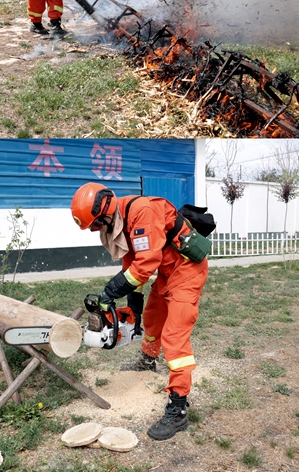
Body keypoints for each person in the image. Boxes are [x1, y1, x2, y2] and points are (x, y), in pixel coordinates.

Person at [71, 183, 211, 441]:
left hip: (187, 271)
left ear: (104, 214)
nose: (95, 231)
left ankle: (178, 408)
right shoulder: (121, 221)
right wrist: (132, 301)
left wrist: (111, 290)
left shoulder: (141, 212)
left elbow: (146, 263)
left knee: (174, 338)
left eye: (95, 225)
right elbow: (132, 263)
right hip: (167, 272)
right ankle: (147, 360)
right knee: (151, 318)